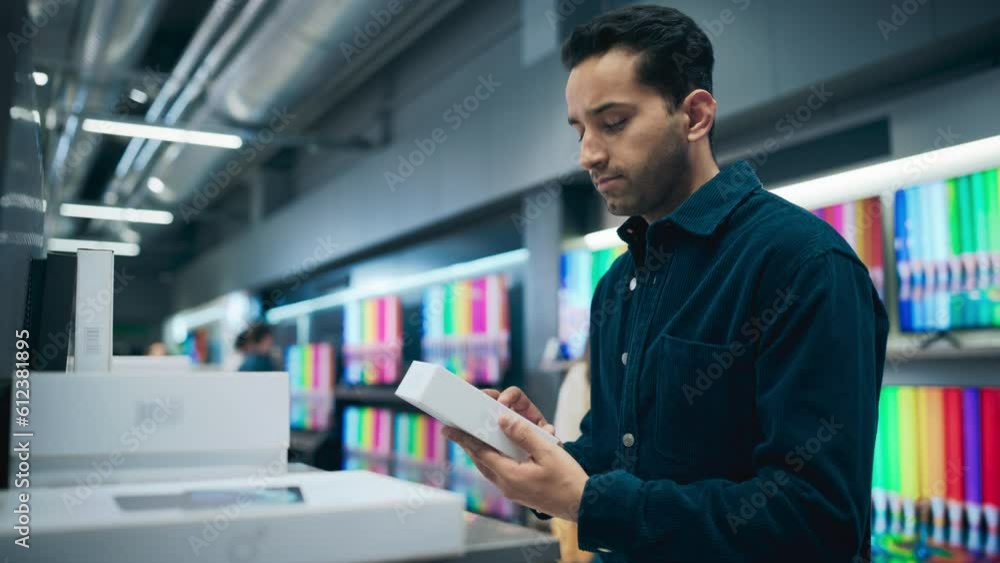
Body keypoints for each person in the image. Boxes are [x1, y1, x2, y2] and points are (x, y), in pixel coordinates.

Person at [443, 5, 888, 562]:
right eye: (581, 130)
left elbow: (816, 520)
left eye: (613, 123)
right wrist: (544, 455)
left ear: (695, 116)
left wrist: (592, 502)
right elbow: (618, 459)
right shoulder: (618, 284)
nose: (588, 154)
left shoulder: (802, 264)